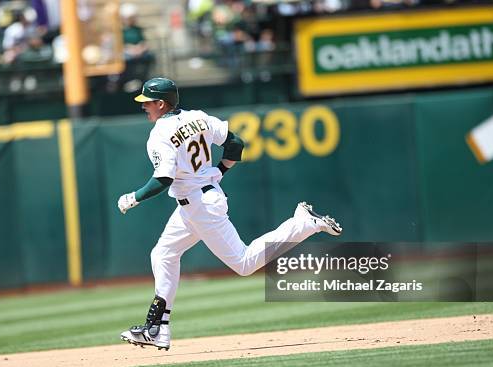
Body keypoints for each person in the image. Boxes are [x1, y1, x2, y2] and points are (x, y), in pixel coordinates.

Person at [117, 78, 343, 351]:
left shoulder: (160, 134)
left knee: (244, 263)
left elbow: (163, 178)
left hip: (201, 207)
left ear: (161, 104)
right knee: (163, 254)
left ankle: (303, 224)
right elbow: (236, 143)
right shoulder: (198, 117)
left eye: (148, 102)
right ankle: (158, 329)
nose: (144, 107)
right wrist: (218, 173)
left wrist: (134, 197)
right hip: (195, 203)